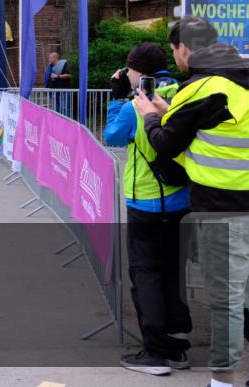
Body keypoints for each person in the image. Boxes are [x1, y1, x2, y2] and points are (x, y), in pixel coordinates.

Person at [134, 17, 249, 387]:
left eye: (174, 50)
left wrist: (152, 116)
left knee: (226, 299)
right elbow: (220, 124)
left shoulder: (199, 88)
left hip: (224, 207)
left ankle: (222, 381)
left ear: (183, 48)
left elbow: (166, 145)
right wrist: (173, 113)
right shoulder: (241, 74)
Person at [103, 43, 190, 376]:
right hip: (181, 198)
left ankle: (155, 353)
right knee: (173, 272)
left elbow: (112, 136)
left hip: (146, 201)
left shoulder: (135, 104)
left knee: (146, 273)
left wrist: (116, 95)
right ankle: (178, 348)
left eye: (129, 70)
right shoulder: (181, 95)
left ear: (137, 72)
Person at [43, 50, 72, 117]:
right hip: (53, 90)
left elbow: (69, 75)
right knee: (56, 108)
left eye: (50, 57)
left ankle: (66, 122)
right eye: (49, 57)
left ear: (55, 58)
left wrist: (58, 76)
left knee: (64, 108)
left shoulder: (63, 64)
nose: (49, 59)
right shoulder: (50, 66)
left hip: (63, 89)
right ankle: (58, 122)